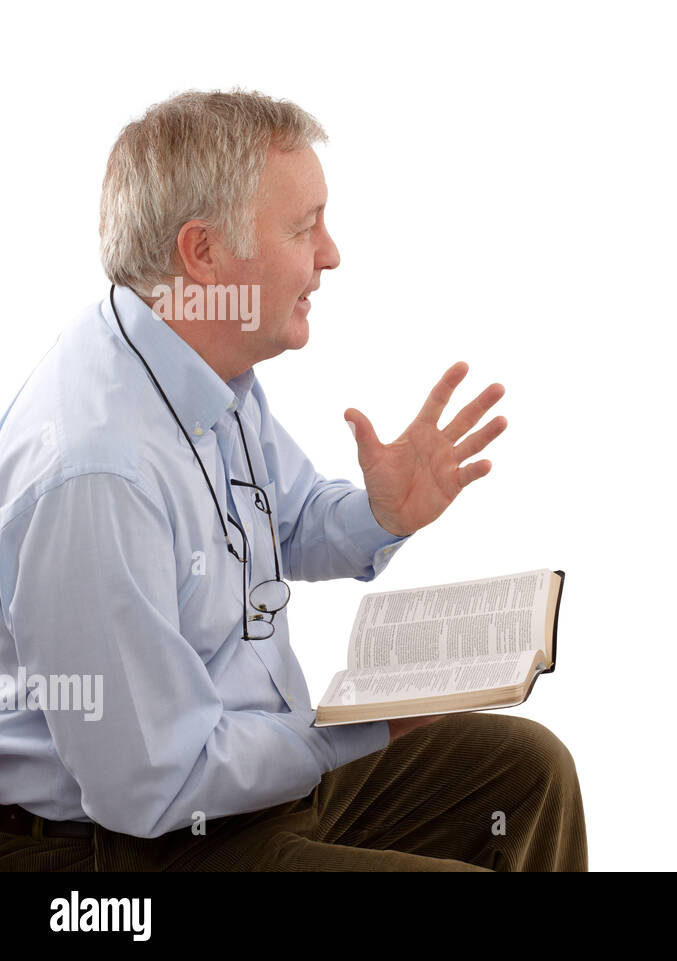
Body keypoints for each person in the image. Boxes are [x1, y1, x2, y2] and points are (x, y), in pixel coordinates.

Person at [0, 89, 586, 871]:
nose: (332, 253)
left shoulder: (197, 358)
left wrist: (379, 514)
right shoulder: (98, 473)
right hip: (132, 842)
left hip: (242, 781)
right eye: (304, 227)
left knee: (527, 772)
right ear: (203, 253)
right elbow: (152, 786)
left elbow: (288, 517)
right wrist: (366, 725)